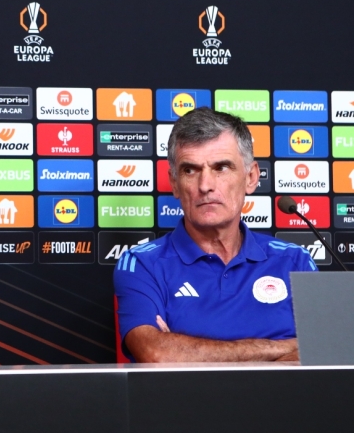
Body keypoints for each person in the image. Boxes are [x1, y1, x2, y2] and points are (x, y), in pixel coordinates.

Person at [114, 107, 317, 363]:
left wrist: (184, 349)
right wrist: (279, 348)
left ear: (251, 177)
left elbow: (322, 354)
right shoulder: (143, 263)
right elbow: (156, 353)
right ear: (174, 183)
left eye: (221, 167)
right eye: (190, 170)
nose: (205, 185)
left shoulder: (295, 261)